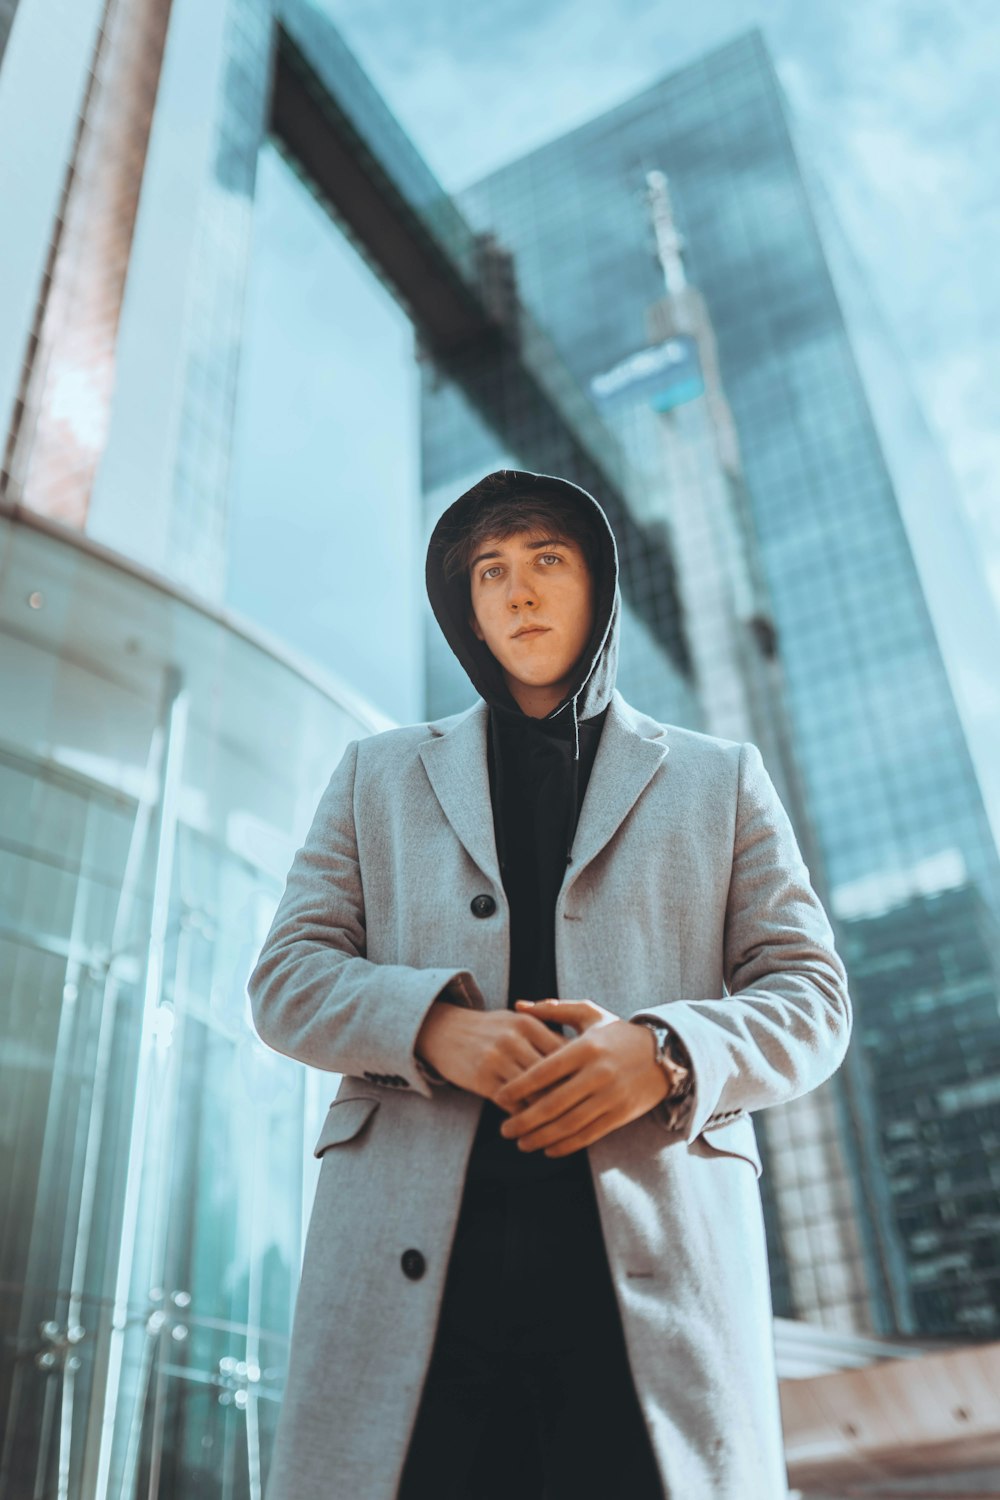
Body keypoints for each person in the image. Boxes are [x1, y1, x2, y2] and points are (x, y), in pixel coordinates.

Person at [247, 468, 852, 1500]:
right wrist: (433, 1028)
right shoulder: (375, 773)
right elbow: (287, 979)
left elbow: (811, 997)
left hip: (648, 1285)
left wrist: (664, 1051)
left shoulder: (720, 777)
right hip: (415, 1288)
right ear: (465, 609)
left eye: (545, 561)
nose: (518, 592)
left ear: (598, 585)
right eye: (489, 572)